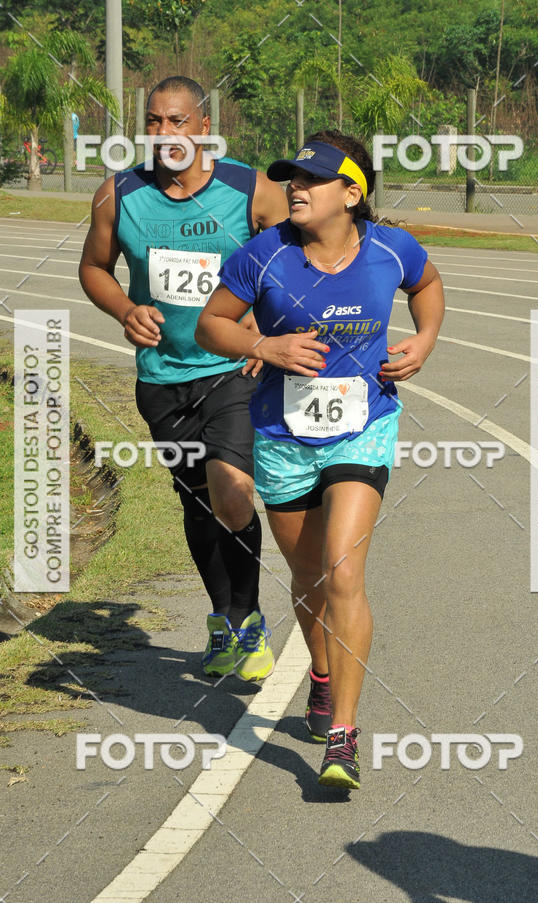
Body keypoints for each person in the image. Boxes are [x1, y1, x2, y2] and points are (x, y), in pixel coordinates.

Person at [196, 130, 445, 788]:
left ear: (352, 193)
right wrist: (267, 348)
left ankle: (343, 734)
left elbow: (428, 284)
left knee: (341, 571)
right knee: (308, 583)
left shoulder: (393, 248)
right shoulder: (265, 254)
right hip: (281, 435)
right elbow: (210, 323)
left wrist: (424, 339)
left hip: (363, 427)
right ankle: (323, 672)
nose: (294, 188)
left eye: (310, 179)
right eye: (290, 178)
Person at [79, 76, 289, 681]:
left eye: (177, 122)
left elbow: (293, 262)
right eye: (153, 122)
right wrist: (125, 309)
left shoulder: (251, 190)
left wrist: (261, 332)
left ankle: (248, 620)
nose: (165, 134)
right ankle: (222, 617)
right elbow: (94, 267)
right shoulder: (118, 194)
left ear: (204, 127)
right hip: (162, 376)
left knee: (230, 487)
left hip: (232, 369)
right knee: (197, 501)